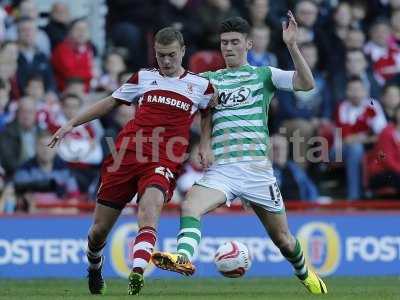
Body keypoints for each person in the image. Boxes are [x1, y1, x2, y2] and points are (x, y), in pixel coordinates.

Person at [151, 15, 327, 294]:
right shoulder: (208, 79)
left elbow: (306, 84)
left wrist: (292, 46)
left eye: (234, 42)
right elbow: (203, 109)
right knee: (190, 206)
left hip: (257, 170)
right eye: (224, 43)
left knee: (282, 239)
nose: (228, 48)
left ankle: (305, 274)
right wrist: (205, 142)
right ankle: (183, 257)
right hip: (223, 169)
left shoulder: (264, 75)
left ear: (249, 44)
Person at [48, 27, 214, 295]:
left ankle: (137, 272)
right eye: (161, 55)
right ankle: (94, 265)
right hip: (126, 156)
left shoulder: (200, 85)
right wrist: (71, 123)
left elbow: (208, 113)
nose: (167, 61)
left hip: (164, 158)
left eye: (171, 55)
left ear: (182, 51)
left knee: (149, 209)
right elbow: (111, 102)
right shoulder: (144, 77)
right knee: (98, 231)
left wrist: (205, 144)